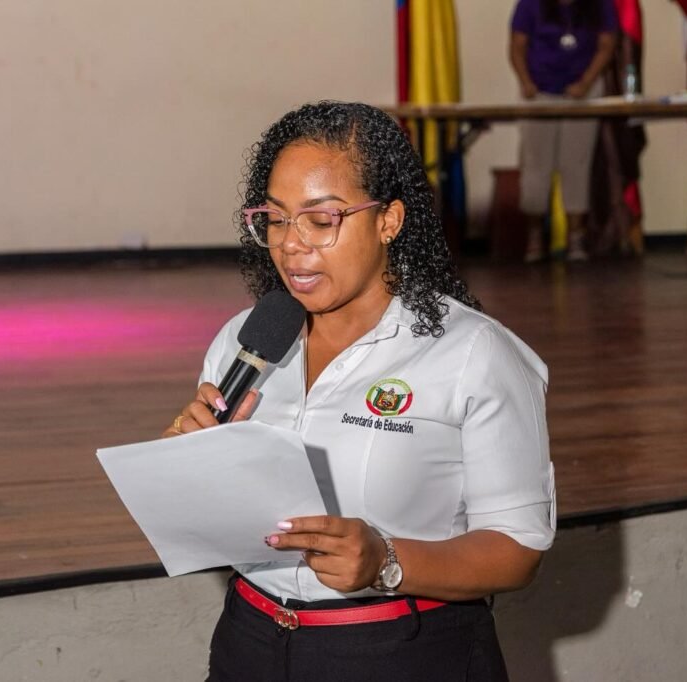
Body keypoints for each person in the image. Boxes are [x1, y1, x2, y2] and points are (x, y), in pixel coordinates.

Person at [164, 101, 555, 681]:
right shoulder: (244, 340)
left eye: (321, 219)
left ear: (389, 220)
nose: (290, 244)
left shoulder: (473, 353)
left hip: (403, 652)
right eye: (275, 218)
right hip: (249, 641)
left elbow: (517, 551)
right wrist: (184, 463)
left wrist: (387, 561)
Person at [509, 0, 617, 262]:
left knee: (576, 165)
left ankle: (575, 237)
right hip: (539, 93)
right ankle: (535, 237)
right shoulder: (529, 4)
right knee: (536, 166)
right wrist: (526, 83)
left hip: (582, 93)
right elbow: (517, 47)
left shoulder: (600, 4)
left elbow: (606, 45)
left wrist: (586, 83)